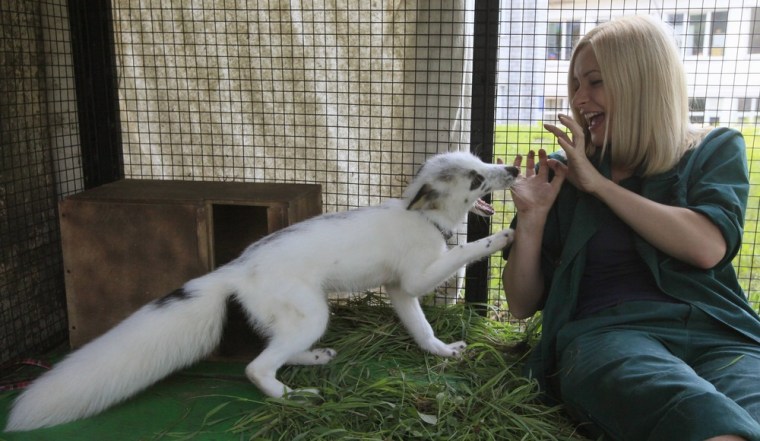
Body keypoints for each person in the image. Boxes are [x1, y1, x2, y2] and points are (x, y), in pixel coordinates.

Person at [501, 15, 760, 441]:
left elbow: (706, 246)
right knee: (694, 414)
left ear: (641, 82)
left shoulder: (713, 150)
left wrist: (600, 187)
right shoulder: (565, 176)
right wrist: (532, 220)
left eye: (595, 82)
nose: (580, 99)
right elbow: (520, 305)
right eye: (576, 84)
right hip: (610, 337)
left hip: (717, 333)